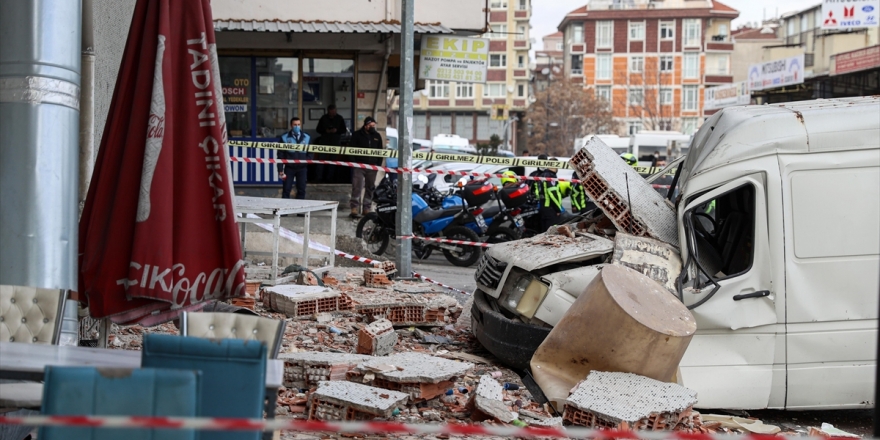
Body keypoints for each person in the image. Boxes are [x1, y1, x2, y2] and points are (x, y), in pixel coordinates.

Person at [349, 116, 383, 218]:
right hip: (359, 166)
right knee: (357, 187)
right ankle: (354, 208)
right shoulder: (356, 135)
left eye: (374, 125)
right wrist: (354, 163)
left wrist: (378, 165)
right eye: (371, 125)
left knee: (370, 188)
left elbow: (380, 151)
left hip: (372, 167)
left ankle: (366, 209)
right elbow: (351, 149)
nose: (373, 127)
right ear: (366, 125)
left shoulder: (377, 136)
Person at [277, 117, 311, 200]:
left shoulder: (307, 137)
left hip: (302, 168)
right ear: (291, 126)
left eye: (298, 125)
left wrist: (305, 162)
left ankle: (300, 212)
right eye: (295, 125)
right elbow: (280, 155)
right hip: (289, 168)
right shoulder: (284, 137)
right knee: (286, 190)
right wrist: (280, 169)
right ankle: (284, 212)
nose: (297, 127)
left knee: (301, 190)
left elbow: (310, 152)